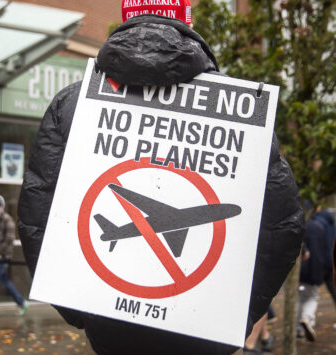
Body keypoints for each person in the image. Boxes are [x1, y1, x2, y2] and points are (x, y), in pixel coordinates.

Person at [17, 2, 303, 354]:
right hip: (205, 333)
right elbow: (282, 229)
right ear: (188, 21)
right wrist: (236, 317)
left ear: (127, 17)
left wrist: (80, 309)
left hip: (110, 330)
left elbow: (35, 217)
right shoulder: (242, 112)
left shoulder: (71, 103)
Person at [297, 209, 334, 342]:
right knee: (312, 297)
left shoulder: (301, 224)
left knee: (299, 298)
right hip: (315, 269)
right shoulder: (323, 227)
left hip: (299, 270)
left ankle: (299, 329)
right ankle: (307, 318)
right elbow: (326, 250)